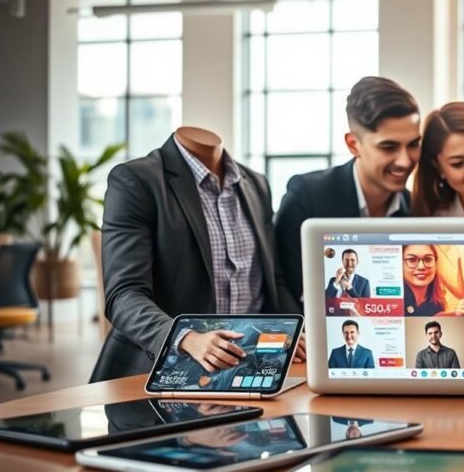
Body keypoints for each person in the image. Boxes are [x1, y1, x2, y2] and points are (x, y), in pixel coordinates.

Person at [91, 128, 303, 382]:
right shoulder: (136, 180)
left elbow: (272, 281)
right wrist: (186, 338)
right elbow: (123, 295)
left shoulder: (255, 184)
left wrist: (297, 330)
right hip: (159, 373)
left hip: (247, 369)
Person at [275, 77, 421, 303]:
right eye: (389, 147)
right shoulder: (307, 196)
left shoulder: (416, 210)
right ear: (353, 144)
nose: (404, 161)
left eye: (413, 145)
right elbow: (281, 284)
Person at [402, 244, 464, 317]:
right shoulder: (394, 299)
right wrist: (454, 314)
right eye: (412, 260)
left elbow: (461, 294)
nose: (421, 266)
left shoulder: (436, 303)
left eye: (428, 259)